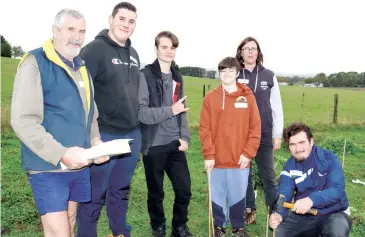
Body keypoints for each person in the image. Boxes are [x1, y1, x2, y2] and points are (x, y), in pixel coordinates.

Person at [10, 9, 109, 237]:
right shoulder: (34, 63)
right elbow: (23, 120)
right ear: (55, 31)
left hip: (78, 164)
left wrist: (95, 140)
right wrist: (62, 153)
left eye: (82, 31)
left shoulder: (81, 67)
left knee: (70, 221)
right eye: (70, 29)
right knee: (59, 233)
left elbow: (91, 114)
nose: (77, 36)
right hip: (48, 166)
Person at [76, 2, 141, 237]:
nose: (126, 24)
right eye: (121, 19)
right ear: (110, 19)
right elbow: (81, 94)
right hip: (103, 134)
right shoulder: (94, 50)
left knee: (120, 189)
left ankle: (119, 231)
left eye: (131, 21)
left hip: (131, 135)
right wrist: (90, 136)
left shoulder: (133, 54)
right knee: (94, 194)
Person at [138, 31, 194, 237]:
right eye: (164, 47)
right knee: (156, 193)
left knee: (184, 190)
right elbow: (142, 113)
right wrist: (171, 110)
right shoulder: (144, 75)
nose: (169, 51)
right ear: (156, 49)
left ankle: (179, 226)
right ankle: (158, 226)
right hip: (153, 145)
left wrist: (185, 138)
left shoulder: (178, 76)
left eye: (172, 47)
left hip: (175, 144)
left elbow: (183, 109)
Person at [199, 57, 261, 237]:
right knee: (217, 195)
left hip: (240, 159)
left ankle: (238, 227)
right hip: (216, 159)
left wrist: (248, 153)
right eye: (223, 71)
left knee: (238, 195)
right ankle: (219, 226)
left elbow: (255, 127)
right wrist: (209, 155)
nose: (227, 74)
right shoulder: (210, 98)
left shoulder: (248, 97)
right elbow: (205, 129)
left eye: (230, 71)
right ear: (219, 73)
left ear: (237, 73)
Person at [270, 123, 352, 237]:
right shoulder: (289, 166)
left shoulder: (329, 159)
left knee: (336, 234)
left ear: (311, 141)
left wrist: (311, 200)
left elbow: (337, 191)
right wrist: (278, 214)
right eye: (292, 144)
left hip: (335, 212)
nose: (298, 149)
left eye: (301, 142)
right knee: (280, 233)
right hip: (305, 215)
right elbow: (284, 194)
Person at [235, 36, 284, 224]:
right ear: (240, 52)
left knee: (268, 177)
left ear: (258, 52)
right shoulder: (235, 74)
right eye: (246, 48)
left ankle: (275, 214)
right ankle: (250, 211)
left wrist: (277, 134)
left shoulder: (269, 75)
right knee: (244, 174)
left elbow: (276, 106)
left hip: (264, 135)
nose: (250, 51)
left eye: (253, 48)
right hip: (241, 134)